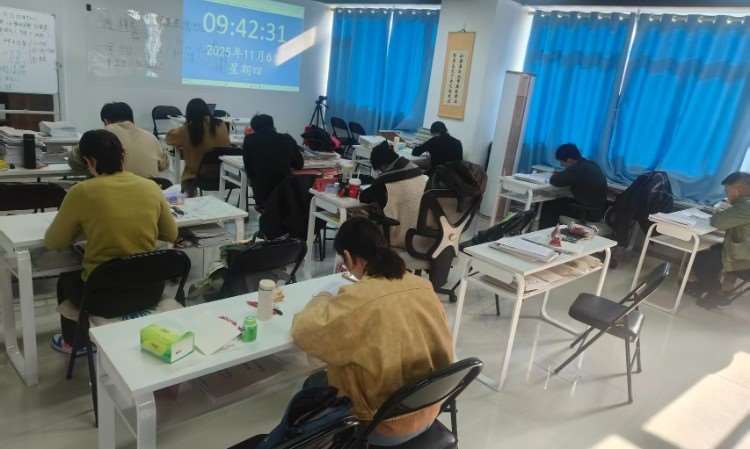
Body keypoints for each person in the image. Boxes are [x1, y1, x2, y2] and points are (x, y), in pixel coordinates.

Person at [291, 217, 453, 447]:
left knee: (314, 384)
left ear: (348, 257)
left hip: (382, 426)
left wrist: (323, 297)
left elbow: (303, 331)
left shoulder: (359, 299)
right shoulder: (423, 286)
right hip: (429, 409)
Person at [45, 129, 178, 354]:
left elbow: (54, 242)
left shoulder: (81, 192)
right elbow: (171, 234)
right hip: (149, 291)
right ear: (123, 156)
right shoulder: (150, 187)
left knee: (65, 280)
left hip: (102, 298)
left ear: (89, 161)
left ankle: (74, 343)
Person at [691, 172, 750, 308]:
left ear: (737, 190)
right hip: (744, 252)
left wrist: (719, 213)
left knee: (703, 258)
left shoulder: (745, 207)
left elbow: (718, 222)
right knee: (715, 250)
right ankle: (706, 285)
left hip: (746, 262)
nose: (726, 195)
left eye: (727, 191)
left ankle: (714, 294)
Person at [69, 102, 168, 179]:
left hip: (111, 192)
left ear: (106, 121)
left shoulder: (101, 135)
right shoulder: (151, 137)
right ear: (131, 119)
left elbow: (75, 161)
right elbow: (163, 165)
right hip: (149, 191)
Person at [360, 141, 428, 248]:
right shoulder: (416, 169)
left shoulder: (385, 181)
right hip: (421, 235)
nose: (380, 172)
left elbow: (364, 197)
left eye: (380, 170)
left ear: (383, 165)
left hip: (399, 236)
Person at [166, 98, 230, 196]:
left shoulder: (188, 129)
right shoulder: (222, 125)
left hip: (197, 175)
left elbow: (169, 139)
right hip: (222, 172)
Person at [539, 143, 608, 228]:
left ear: (569, 160)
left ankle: (546, 231)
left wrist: (555, 175)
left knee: (548, 205)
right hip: (597, 211)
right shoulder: (591, 164)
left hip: (586, 213)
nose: (561, 165)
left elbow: (555, 181)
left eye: (562, 162)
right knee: (559, 201)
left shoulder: (576, 169)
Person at [242, 114, 304, 209]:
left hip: (262, 193)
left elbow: (249, 169)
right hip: (285, 193)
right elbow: (299, 165)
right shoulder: (287, 139)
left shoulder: (249, 140)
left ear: (253, 128)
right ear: (272, 125)